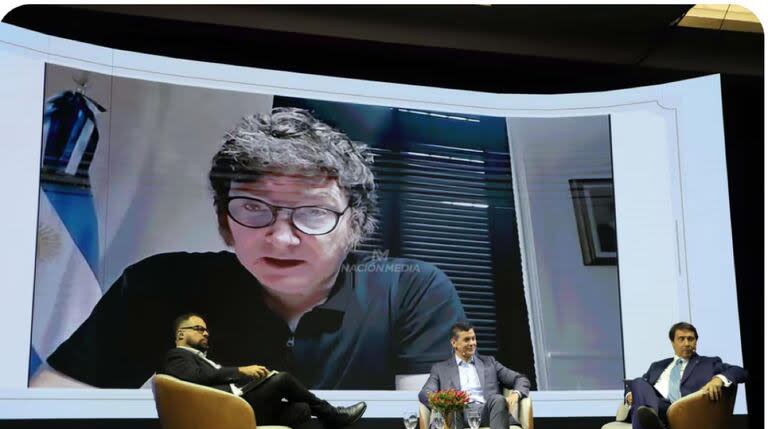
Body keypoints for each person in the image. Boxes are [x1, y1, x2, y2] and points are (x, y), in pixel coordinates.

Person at [34, 107, 465, 389]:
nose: (280, 238)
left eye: (313, 212)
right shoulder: (159, 284)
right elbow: (54, 403)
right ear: (225, 223)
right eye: (253, 208)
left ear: (355, 225)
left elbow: (434, 427)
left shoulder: (411, 290)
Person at [164, 313, 366, 429]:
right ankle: (332, 416)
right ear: (181, 334)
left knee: (300, 409)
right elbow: (196, 378)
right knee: (283, 380)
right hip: (224, 414)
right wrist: (241, 371)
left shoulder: (199, 359)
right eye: (199, 329)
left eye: (207, 329)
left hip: (236, 408)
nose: (206, 333)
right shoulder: (177, 357)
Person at [608, 321, 748, 429]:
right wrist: (630, 394)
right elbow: (638, 387)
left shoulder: (709, 363)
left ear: (696, 341)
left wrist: (718, 379)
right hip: (655, 404)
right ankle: (652, 419)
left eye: (691, 339)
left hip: (683, 412)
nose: (687, 343)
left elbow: (740, 371)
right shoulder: (657, 366)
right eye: (681, 339)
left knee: (642, 411)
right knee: (637, 383)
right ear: (673, 342)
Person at [418, 321, 530, 429]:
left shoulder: (489, 363)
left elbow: (520, 379)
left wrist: (516, 394)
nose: (472, 343)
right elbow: (425, 393)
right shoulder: (440, 369)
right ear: (454, 343)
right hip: (458, 414)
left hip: (487, 412)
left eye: (473, 338)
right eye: (467, 340)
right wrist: (445, 402)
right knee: (453, 404)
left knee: (498, 399)